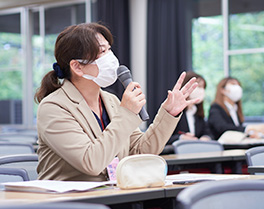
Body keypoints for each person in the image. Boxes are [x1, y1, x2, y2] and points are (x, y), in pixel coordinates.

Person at [34, 23, 199, 181]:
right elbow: (91, 162)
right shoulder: (53, 107)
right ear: (77, 67)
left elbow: (140, 150)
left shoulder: (110, 100)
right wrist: (126, 113)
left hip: (112, 193)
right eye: (102, 51)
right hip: (71, 200)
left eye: (109, 50)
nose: (111, 58)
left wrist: (168, 113)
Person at [208, 77, 264, 141]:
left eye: (238, 85)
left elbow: (236, 130)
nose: (237, 87)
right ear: (223, 90)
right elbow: (222, 128)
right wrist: (249, 128)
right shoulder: (216, 108)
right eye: (233, 84)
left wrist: (249, 135)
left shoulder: (235, 109)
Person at [167, 71, 213, 145]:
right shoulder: (172, 110)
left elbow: (208, 133)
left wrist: (206, 137)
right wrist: (181, 137)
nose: (201, 90)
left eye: (202, 87)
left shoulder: (197, 113)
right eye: (198, 87)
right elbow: (162, 137)